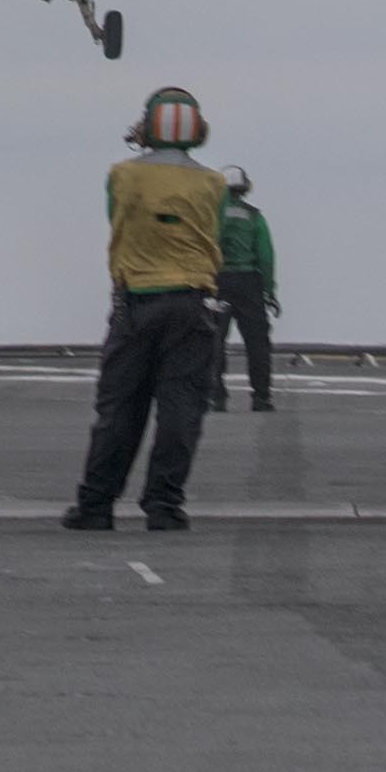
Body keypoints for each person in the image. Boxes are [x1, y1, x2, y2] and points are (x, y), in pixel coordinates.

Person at [65, 86, 233, 536]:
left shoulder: (122, 175)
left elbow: (114, 219)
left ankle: (96, 506)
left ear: (148, 126)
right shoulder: (214, 183)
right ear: (196, 129)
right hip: (194, 304)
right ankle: (164, 506)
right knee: (182, 408)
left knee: (119, 409)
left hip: (135, 301)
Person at [215, 168, 279, 413]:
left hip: (217, 281)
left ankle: (215, 396)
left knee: (214, 340)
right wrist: (269, 290)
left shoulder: (210, 216)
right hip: (249, 283)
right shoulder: (255, 217)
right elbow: (266, 256)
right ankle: (261, 397)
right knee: (257, 343)